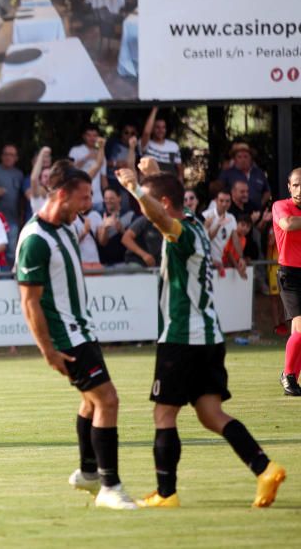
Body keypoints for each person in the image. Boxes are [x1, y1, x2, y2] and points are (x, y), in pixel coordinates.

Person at [115, 164, 286, 508]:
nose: (143, 209)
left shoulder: (180, 231)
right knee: (211, 415)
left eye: (149, 201)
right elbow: (170, 202)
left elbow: (163, 218)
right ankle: (265, 468)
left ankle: (167, 494)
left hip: (182, 338)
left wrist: (135, 187)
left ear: (162, 201)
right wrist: (156, 173)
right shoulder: (192, 220)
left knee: (164, 416)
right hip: (208, 337)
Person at [16, 160, 137, 510]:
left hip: (83, 330)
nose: (88, 204)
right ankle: (110, 487)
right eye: (84, 197)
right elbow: (29, 302)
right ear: (63, 194)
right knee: (108, 400)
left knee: (90, 402)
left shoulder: (67, 228)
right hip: (67, 339)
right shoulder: (35, 239)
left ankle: (88, 472)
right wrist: (48, 351)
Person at [272, 168, 301, 396]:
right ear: (289, 187)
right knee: (300, 331)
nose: (300, 189)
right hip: (290, 275)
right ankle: (288, 376)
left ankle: (291, 378)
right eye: (297, 185)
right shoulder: (280, 206)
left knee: (298, 333)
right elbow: (287, 224)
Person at [0, 145, 24, 263]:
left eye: (12, 155)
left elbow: (22, 197)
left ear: (16, 158)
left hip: (13, 219)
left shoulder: (19, 174)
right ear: (1, 156)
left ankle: (10, 278)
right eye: (6, 154)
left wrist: (21, 216)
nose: (8, 157)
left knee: (12, 251)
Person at [68, 125, 108, 211]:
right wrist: (87, 157)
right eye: (89, 135)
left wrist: (107, 195)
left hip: (98, 199)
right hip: (79, 198)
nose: (92, 138)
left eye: (94, 135)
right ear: (84, 136)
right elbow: (70, 171)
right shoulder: (75, 150)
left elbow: (103, 178)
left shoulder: (101, 154)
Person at [219, 143, 271, 209]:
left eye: (246, 156)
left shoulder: (259, 173)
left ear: (251, 158)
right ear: (234, 159)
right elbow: (220, 193)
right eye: (239, 157)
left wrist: (260, 204)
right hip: (235, 214)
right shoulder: (227, 173)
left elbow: (267, 191)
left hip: (257, 212)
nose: (243, 160)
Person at [139, 106, 183, 179]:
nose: (161, 130)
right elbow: (146, 132)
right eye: (157, 127)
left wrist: (180, 183)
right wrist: (155, 109)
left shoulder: (173, 146)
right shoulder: (145, 144)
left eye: (163, 127)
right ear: (152, 129)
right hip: (150, 184)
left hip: (168, 184)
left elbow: (179, 168)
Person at [96, 188, 132, 266]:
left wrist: (122, 230)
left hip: (124, 262)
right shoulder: (99, 215)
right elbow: (102, 243)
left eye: (111, 198)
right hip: (105, 263)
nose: (108, 201)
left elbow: (134, 241)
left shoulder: (130, 215)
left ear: (119, 198)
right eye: (106, 198)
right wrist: (105, 228)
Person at [203, 190, 236, 268]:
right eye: (221, 201)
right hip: (207, 262)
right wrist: (218, 225)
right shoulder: (206, 215)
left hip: (219, 262)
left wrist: (241, 258)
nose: (224, 204)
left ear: (231, 202)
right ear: (216, 201)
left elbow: (236, 239)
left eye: (227, 201)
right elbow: (205, 239)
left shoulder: (231, 218)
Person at [221, 215, 253, 280]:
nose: (245, 228)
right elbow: (228, 254)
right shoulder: (230, 234)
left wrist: (245, 260)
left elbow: (237, 256)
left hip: (231, 268)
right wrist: (238, 269)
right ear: (236, 224)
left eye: (248, 227)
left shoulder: (244, 239)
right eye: (243, 225)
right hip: (223, 266)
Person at [26, 146, 53, 216]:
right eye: (45, 176)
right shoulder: (37, 195)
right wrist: (42, 153)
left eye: (50, 177)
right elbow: (34, 179)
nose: (48, 179)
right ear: (40, 180)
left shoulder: (56, 193)